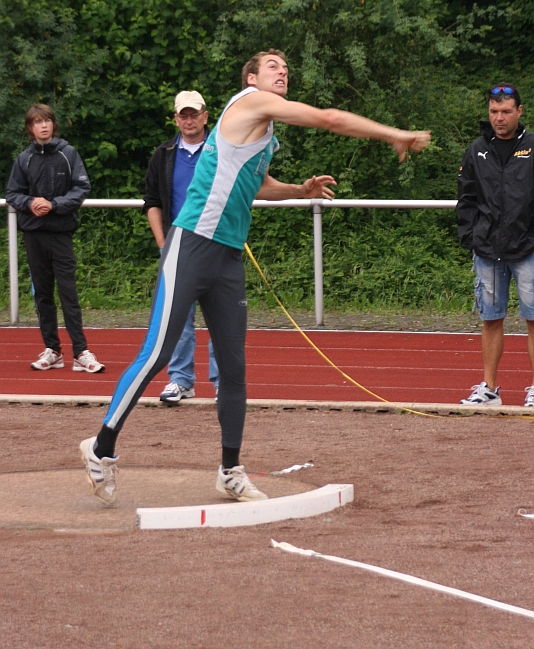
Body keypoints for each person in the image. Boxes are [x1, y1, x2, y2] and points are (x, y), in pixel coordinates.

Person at [80, 49, 431, 507]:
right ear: (251, 78)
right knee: (158, 353)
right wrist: (393, 134)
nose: (282, 71)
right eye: (272, 66)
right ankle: (101, 448)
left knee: (235, 368)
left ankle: (230, 470)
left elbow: (259, 186)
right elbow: (328, 118)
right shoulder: (249, 102)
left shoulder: (265, 136)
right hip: (191, 244)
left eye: (286, 67)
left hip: (227, 256)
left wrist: (298, 190)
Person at [5, 104, 105, 373]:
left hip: (61, 234)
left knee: (68, 294)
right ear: (30, 128)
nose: (43, 126)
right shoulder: (23, 159)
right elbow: (13, 192)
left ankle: (81, 352)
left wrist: (54, 204)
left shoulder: (68, 153)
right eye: (38, 122)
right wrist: (30, 202)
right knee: (43, 296)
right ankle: (53, 350)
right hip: (34, 234)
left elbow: (82, 187)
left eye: (47, 120)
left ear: (53, 124)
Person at [457, 83, 534, 407]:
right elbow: (467, 197)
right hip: (488, 248)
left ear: (519, 111)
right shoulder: (477, 150)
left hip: (528, 248)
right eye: (493, 112)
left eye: (505, 111)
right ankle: (489, 388)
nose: (498, 118)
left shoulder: (532, 147)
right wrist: (470, 237)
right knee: (491, 318)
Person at [144, 89, 219, 402]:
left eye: (194, 114)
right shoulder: (163, 154)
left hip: (216, 242)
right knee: (178, 315)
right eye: (183, 115)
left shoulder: (220, 151)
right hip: (178, 244)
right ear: (176, 119)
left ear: (205, 117)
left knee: (219, 316)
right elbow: (152, 202)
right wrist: (163, 243)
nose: (189, 120)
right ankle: (181, 379)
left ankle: (222, 382)